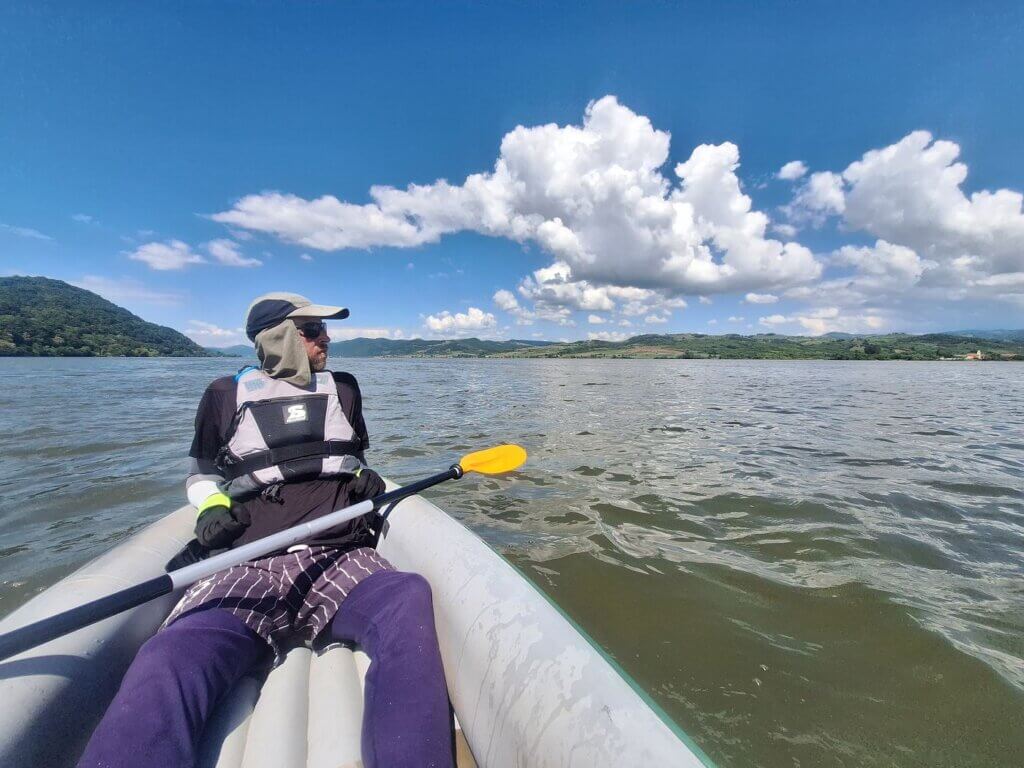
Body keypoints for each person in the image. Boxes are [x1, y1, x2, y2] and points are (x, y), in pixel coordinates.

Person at [77, 293, 454, 768]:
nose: (326, 338)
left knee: (407, 596)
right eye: (313, 330)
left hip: (339, 554)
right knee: (170, 653)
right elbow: (200, 474)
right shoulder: (223, 395)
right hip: (249, 564)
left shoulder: (346, 389)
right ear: (280, 338)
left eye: (323, 330)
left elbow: (354, 455)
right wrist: (212, 504)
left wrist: (363, 476)